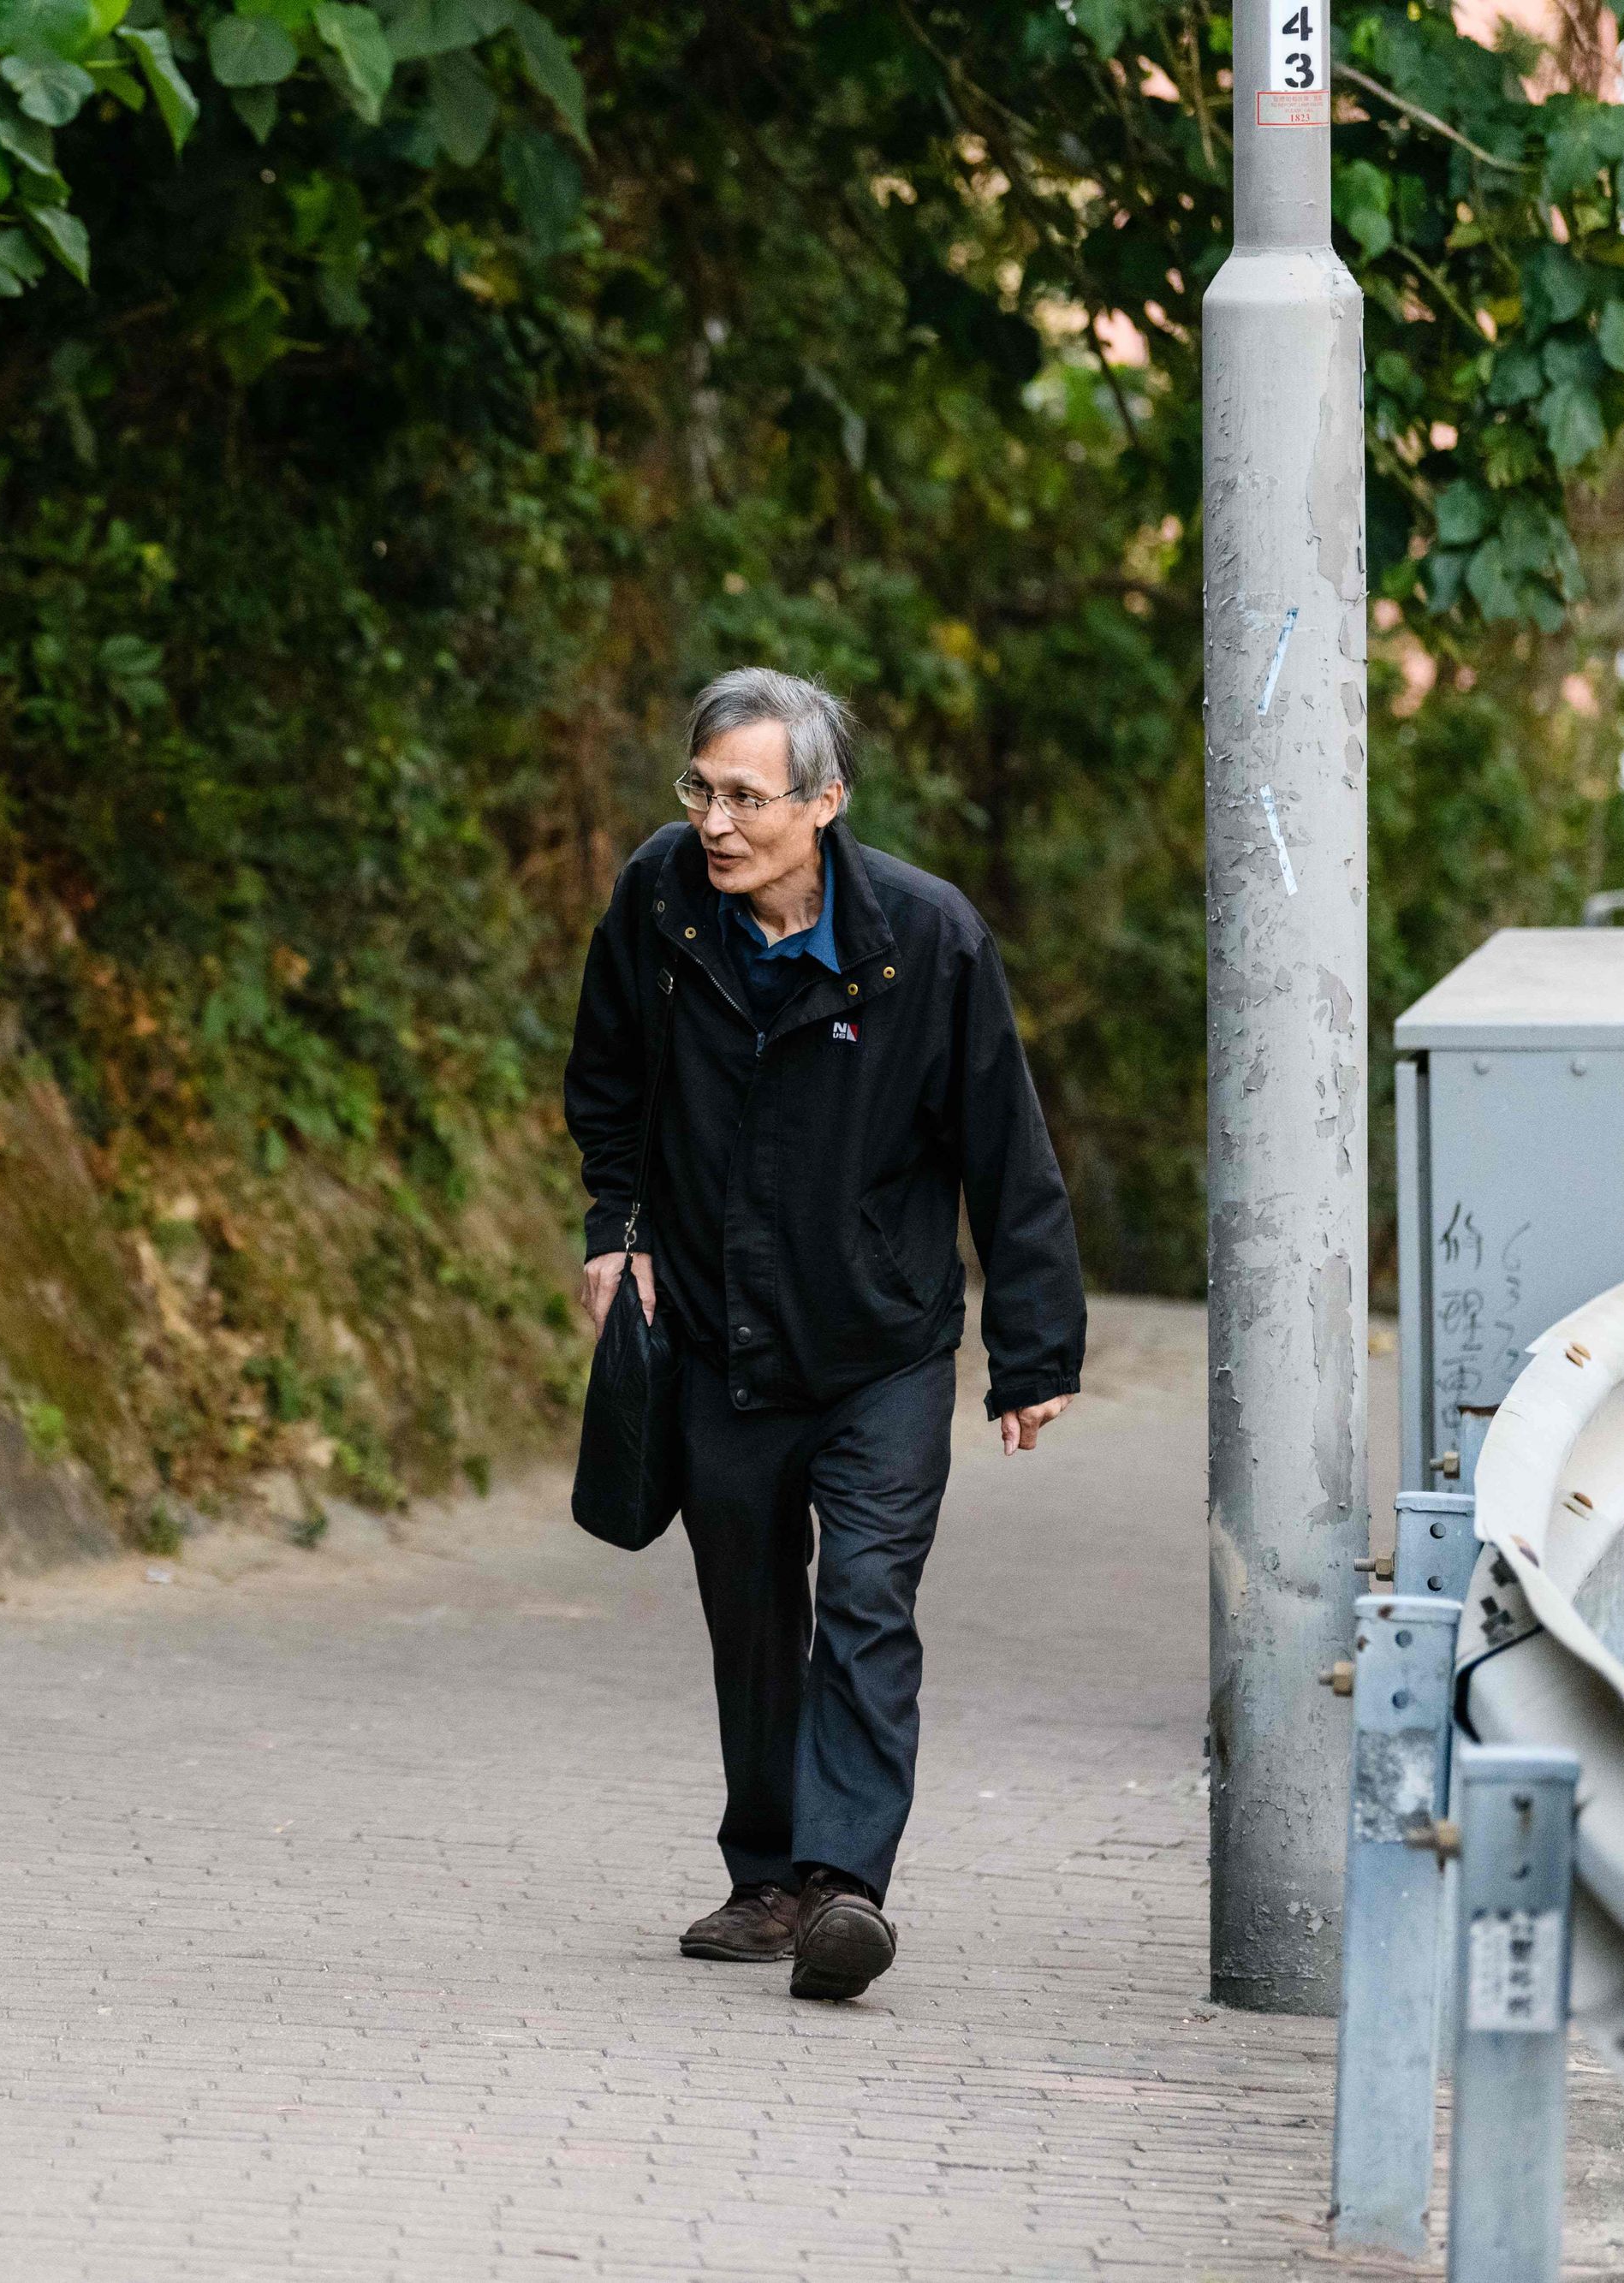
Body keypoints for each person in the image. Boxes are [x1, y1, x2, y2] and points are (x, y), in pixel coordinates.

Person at [562, 668, 1085, 2002]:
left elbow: (1004, 1152)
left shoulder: (927, 939)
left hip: (882, 1349)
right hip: (723, 1341)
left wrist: (1033, 1352)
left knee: (862, 1599)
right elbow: (606, 1079)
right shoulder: (661, 901)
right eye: (701, 791)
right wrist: (613, 1228)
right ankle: (766, 1883)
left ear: (825, 801)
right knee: (749, 1612)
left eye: (747, 797)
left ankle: (845, 1888)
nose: (717, 823)